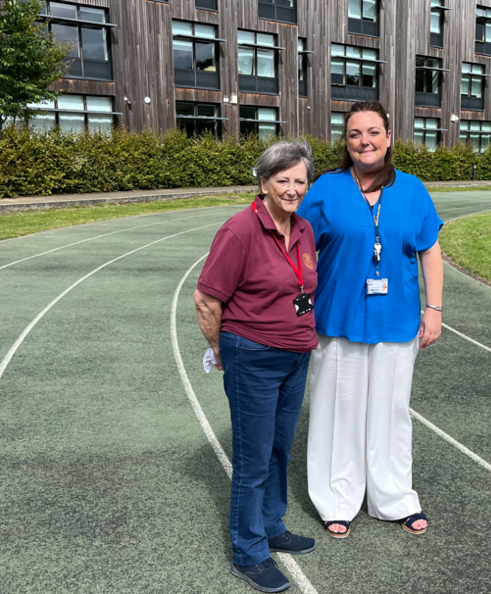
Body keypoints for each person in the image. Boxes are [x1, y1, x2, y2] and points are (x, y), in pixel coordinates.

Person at [298, 100, 443, 539]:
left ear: (389, 137)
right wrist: (298, 303)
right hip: (337, 317)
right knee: (338, 411)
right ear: (347, 142)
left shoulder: (413, 189)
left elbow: (429, 249)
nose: (365, 141)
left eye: (373, 132)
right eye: (356, 134)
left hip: (396, 318)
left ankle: (393, 497)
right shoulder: (327, 188)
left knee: (391, 411)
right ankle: (336, 498)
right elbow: (300, 247)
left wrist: (433, 308)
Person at [194, 140, 319, 594]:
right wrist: (224, 351)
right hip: (254, 357)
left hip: (296, 356)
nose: (291, 188)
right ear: (263, 182)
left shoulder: (303, 229)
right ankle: (249, 552)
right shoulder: (239, 231)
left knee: (279, 449)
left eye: (299, 180)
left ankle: (271, 524)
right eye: (282, 179)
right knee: (251, 460)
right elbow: (207, 299)